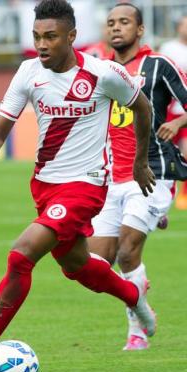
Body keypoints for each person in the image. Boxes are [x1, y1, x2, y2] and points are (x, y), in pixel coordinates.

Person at [0, 0, 156, 372]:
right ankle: (133, 296)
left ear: (71, 37)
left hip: (86, 186)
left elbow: (143, 108)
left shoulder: (103, 73)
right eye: (37, 37)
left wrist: (140, 163)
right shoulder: (29, 72)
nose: (42, 44)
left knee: (21, 255)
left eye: (50, 37)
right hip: (46, 185)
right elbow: (0, 128)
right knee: (77, 267)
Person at [88, 3, 187, 351]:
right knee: (96, 267)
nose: (117, 28)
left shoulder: (158, 65)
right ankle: (143, 303)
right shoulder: (101, 70)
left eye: (125, 22)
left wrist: (177, 122)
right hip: (111, 177)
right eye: (112, 22)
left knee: (129, 253)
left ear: (140, 30)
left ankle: (138, 327)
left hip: (153, 172)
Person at [160, 15, 187, 210]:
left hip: (185, 110)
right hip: (169, 110)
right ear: (179, 26)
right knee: (164, 153)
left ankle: (183, 196)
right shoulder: (168, 48)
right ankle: (163, 194)